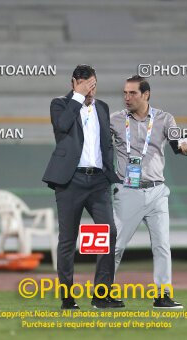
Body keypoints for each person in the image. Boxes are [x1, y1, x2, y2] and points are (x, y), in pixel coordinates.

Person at [42, 65, 124, 309]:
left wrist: (112, 175)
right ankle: (67, 297)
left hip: (98, 182)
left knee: (108, 233)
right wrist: (78, 97)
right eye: (86, 85)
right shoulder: (59, 105)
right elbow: (62, 126)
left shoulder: (102, 107)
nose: (91, 90)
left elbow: (105, 145)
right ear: (74, 83)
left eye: (94, 85)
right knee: (68, 239)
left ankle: (101, 295)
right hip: (71, 181)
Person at [111, 75, 187, 309]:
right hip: (127, 190)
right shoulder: (114, 120)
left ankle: (162, 295)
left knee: (161, 245)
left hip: (157, 191)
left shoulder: (165, 119)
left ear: (146, 94)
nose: (127, 97)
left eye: (132, 93)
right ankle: (104, 292)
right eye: (125, 93)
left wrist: (186, 147)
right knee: (115, 245)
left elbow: (179, 144)